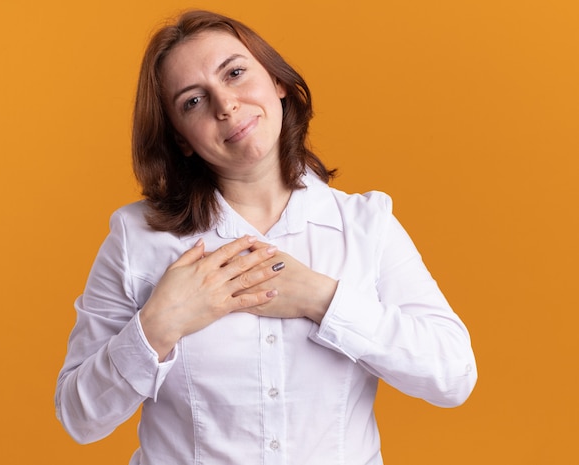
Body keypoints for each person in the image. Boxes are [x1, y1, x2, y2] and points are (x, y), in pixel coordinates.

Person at [55, 9, 477, 465]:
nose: (226, 105)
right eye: (193, 101)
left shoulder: (366, 225)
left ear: (277, 81)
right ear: (181, 139)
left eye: (235, 73)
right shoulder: (136, 238)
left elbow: (452, 376)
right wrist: (159, 326)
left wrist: (323, 300)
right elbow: (79, 418)